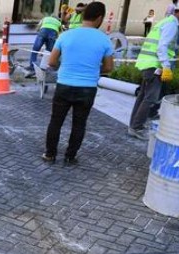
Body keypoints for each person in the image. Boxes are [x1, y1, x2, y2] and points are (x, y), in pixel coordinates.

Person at [42, 1, 114, 165]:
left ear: (83, 15)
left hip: (64, 84)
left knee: (56, 121)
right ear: (100, 18)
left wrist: (68, 65)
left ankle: (49, 154)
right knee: (79, 123)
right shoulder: (104, 39)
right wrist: (92, 67)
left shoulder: (66, 35)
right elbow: (109, 67)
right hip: (87, 88)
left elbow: (52, 62)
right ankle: (70, 156)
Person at [128, 2, 179, 140]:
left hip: (147, 64)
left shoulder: (165, 21)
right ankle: (137, 127)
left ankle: (133, 126)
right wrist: (166, 66)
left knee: (142, 96)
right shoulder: (171, 24)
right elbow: (162, 47)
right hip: (155, 66)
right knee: (150, 98)